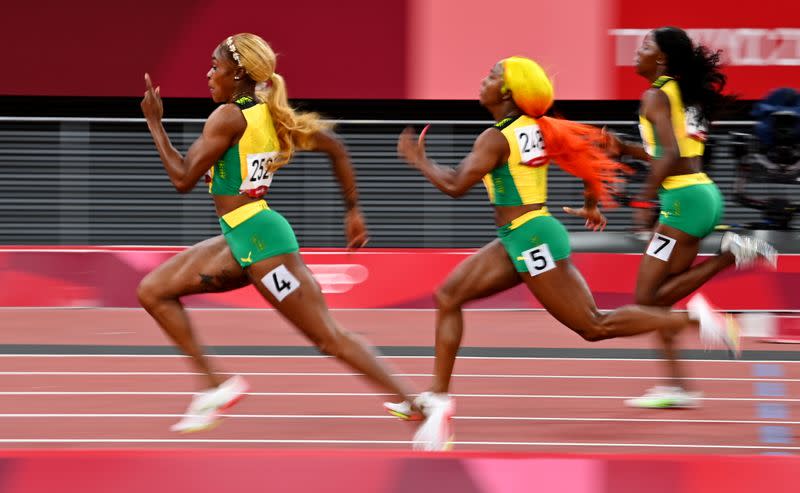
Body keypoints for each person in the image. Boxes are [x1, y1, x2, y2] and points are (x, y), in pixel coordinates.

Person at [384, 56, 739, 451]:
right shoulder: (536, 127)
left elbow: (455, 185)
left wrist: (419, 161)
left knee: (593, 326)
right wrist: (591, 203)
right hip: (520, 235)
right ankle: (439, 400)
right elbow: (586, 156)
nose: (483, 81)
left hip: (533, 240)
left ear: (507, 91)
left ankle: (692, 319)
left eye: (491, 76)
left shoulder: (495, 138)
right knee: (448, 295)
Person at [139, 33, 420, 432]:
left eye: (215, 67)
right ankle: (215, 386)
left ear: (237, 73)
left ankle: (418, 406)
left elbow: (183, 178)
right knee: (152, 290)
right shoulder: (267, 115)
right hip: (241, 236)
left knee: (327, 337)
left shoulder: (230, 116)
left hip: (262, 243)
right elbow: (335, 147)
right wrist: (353, 210)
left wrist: (155, 123)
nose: (209, 75)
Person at [603, 27, 777, 409]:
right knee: (656, 304)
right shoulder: (680, 94)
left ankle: (727, 263)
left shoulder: (655, 95)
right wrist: (626, 148)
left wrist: (642, 203)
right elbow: (671, 154)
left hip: (682, 202)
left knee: (645, 301)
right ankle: (677, 386)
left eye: (646, 46)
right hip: (697, 195)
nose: (638, 51)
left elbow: (668, 159)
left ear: (662, 59)